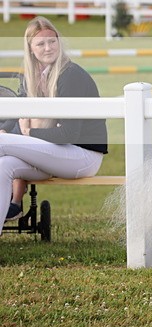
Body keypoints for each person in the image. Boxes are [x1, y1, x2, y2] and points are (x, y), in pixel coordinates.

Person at [2, 17, 108, 225]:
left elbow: (69, 134)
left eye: (52, 41)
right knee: (4, 165)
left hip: (82, 156)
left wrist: (29, 134)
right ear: (31, 49)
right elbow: (18, 113)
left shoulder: (70, 75)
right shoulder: (32, 76)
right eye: (40, 44)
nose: (48, 48)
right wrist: (7, 131)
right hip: (51, 152)